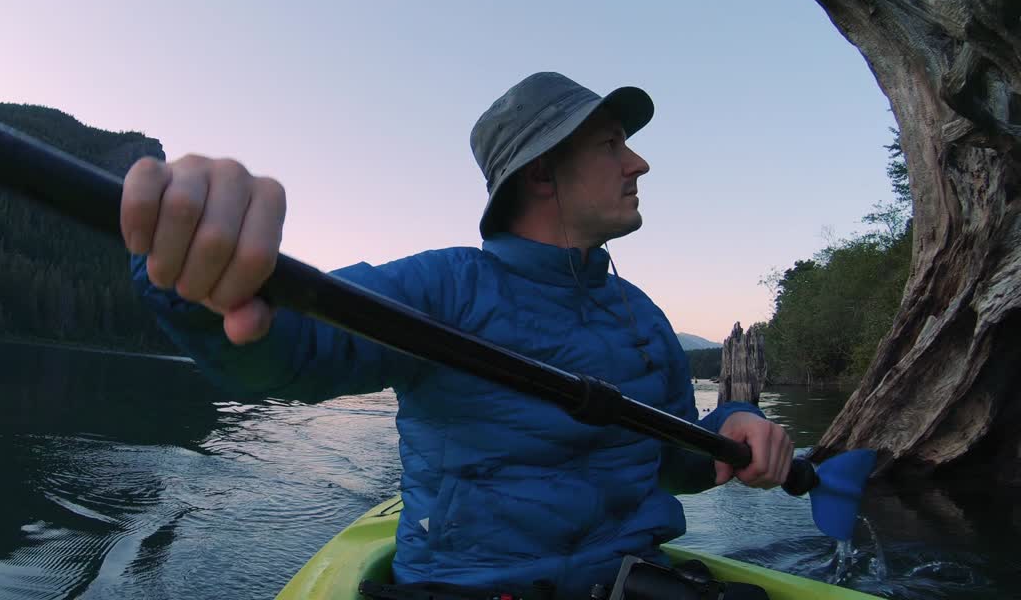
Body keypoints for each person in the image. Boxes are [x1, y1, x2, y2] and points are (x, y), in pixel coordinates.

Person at [121, 72, 793, 597]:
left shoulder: (644, 319)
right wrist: (200, 282)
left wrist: (735, 426)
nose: (638, 163)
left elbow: (677, 463)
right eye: (612, 143)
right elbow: (289, 352)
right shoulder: (443, 288)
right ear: (540, 172)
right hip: (469, 587)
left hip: (634, 580)